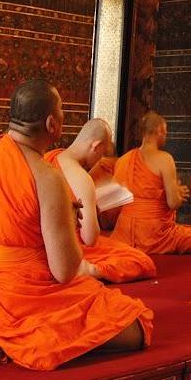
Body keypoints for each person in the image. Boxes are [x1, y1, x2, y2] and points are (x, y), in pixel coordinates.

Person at [0, 80, 152, 369]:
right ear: (52, 123)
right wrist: (68, 220)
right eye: (63, 109)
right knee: (135, 324)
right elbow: (64, 270)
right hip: (19, 297)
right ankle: (15, 338)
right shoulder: (46, 176)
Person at [44, 119, 156, 283]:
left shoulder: (48, 158)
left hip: (42, 242)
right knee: (141, 261)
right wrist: (95, 210)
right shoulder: (82, 178)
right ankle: (89, 269)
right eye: (102, 154)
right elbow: (89, 239)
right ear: (95, 146)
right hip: (67, 245)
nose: (100, 160)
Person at [111, 112, 191, 254]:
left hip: (123, 232)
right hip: (154, 234)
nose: (165, 137)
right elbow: (173, 203)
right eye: (165, 133)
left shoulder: (123, 159)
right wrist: (177, 194)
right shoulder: (164, 159)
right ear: (160, 131)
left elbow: (115, 199)